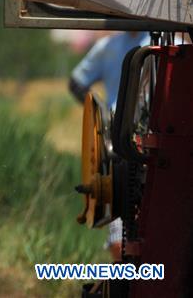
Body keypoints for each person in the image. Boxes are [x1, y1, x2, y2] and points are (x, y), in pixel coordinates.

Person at [68, 30, 148, 262]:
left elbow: (76, 82)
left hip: (143, 138)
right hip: (119, 143)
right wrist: (102, 117)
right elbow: (77, 83)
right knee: (120, 238)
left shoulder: (172, 43)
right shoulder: (108, 46)